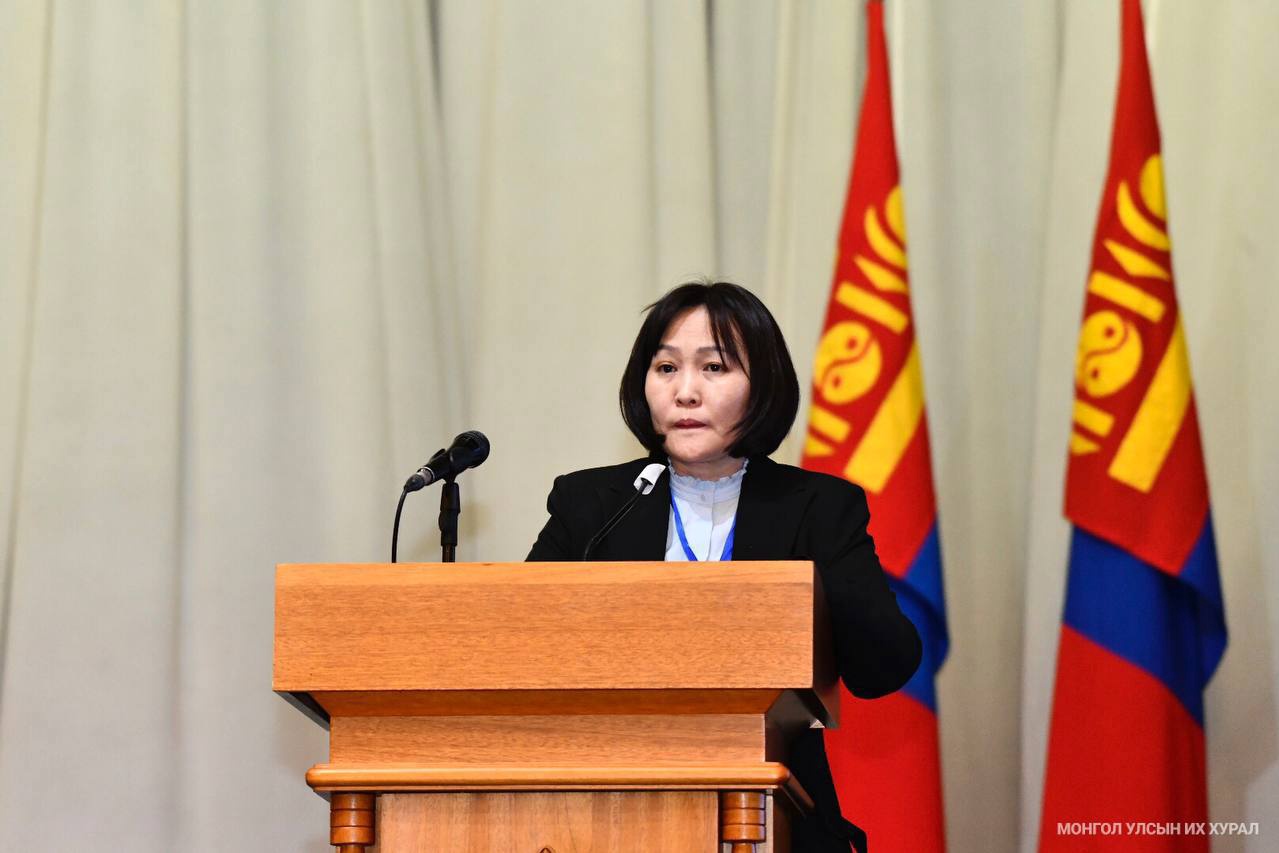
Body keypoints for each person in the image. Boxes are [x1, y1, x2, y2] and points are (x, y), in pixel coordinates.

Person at [528, 281, 922, 853]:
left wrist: (822, 575)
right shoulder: (592, 505)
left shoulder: (817, 506)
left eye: (713, 368)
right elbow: (521, 646)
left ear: (763, 387)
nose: (685, 392)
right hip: (603, 812)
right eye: (666, 368)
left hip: (774, 814)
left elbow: (883, 669)